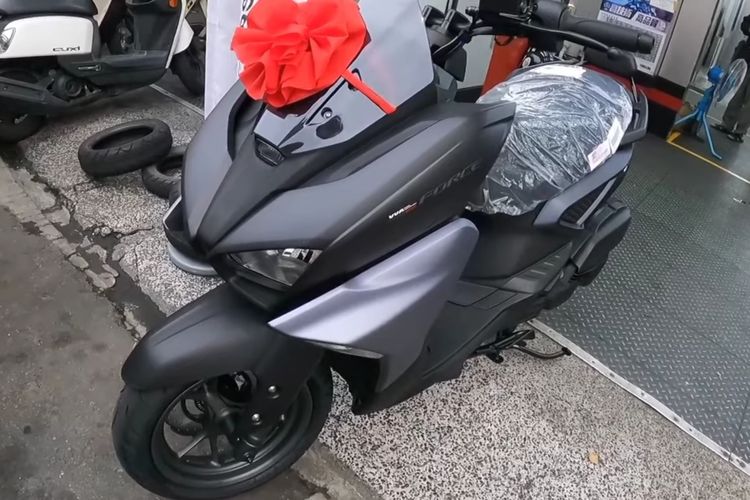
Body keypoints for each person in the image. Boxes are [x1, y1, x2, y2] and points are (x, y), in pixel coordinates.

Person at [716, 16, 750, 142]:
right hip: (747, 61)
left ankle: (740, 132)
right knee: (737, 94)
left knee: (749, 102)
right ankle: (727, 124)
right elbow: (745, 23)